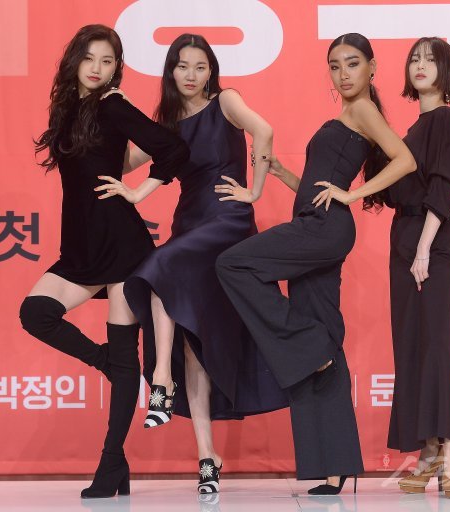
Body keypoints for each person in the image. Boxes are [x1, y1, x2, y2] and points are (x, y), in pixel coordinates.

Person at [215, 33, 416, 495]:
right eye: (335, 65)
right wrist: (283, 174)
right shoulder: (347, 115)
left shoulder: (363, 110)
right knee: (323, 336)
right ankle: (334, 466)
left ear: (372, 67)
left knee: (234, 265)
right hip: (316, 223)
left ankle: (308, 346)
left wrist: (353, 193)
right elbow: (317, 186)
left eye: (352, 63)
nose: (343, 74)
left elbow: (405, 159)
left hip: (323, 230)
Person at [100, 34, 287, 494]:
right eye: (182, 66)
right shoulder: (167, 124)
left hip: (227, 221)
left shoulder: (226, 100)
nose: (191, 75)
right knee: (192, 340)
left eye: (200, 67)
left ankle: (160, 380)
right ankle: (207, 457)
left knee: (161, 266)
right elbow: (122, 162)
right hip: (189, 223)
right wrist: (111, 111)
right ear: (171, 71)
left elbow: (264, 131)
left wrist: (255, 190)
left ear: (211, 72)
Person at [19, 24, 189, 498]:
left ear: (117, 68)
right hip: (80, 247)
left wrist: (138, 192)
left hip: (120, 244)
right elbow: (99, 161)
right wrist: (121, 169)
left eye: (108, 60)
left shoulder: (112, 104)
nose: (97, 68)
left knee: (124, 351)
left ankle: (112, 463)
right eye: (90, 58)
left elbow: (172, 148)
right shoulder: (69, 107)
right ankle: (108, 365)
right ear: (75, 61)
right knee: (35, 313)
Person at [385, 36, 450, 499]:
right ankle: (428, 451)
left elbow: (444, 186)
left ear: (445, 70)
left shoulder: (447, 119)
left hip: (432, 243)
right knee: (410, 346)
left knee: (436, 345)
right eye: (414, 59)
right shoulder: (410, 131)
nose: (420, 65)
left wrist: (423, 248)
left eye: (430, 60)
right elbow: (387, 191)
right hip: (403, 241)